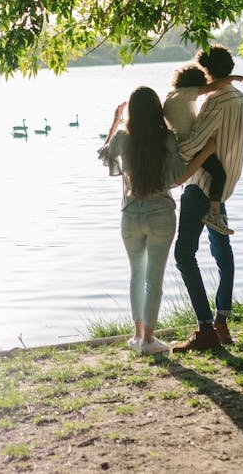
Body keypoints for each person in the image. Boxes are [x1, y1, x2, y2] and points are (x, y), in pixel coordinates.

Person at [99, 86, 217, 355]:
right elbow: (178, 177)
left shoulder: (122, 137)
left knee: (136, 275)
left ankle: (138, 336)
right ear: (157, 110)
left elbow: (105, 154)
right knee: (153, 277)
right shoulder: (167, 139)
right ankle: (149, 340)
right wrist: (206, 152)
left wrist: (115, 121)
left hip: (130, 215)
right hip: (160, 214)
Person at [172, 45, 243, 352]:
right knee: (222, 252)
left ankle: (205, 329)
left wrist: (171, 148)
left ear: (207, 72)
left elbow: (192, 145)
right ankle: (222, 323)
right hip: (222, 186)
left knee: (183, 254)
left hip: (199, 186)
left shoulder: (216, 101)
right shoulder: (240, 99)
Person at [164, 64, 243, 236]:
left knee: (214, 172)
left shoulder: (173, 97)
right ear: (193, 86)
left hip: (185, 145)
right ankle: (214, 214)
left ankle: (214, 213)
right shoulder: (184, 94)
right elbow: (211, 87)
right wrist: (232, 79)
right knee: (219, 174)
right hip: (191, 147)